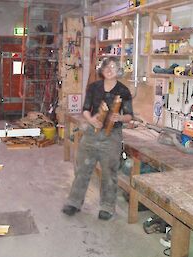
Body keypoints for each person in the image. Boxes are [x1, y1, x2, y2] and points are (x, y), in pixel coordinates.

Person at [62, 57, 133, 220]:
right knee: (82, 169)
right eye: (107, 66)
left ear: (119, 71)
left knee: (109, 172)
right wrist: (91, 119)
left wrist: (120, 118)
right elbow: (86, 109)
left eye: (114, 67)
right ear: (102, 70)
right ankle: (74, 202)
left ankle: (107, 207)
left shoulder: (123, 91)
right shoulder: (94, 87)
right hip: (92, 133)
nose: (110, 70)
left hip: (112, 136)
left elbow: (129, 115)